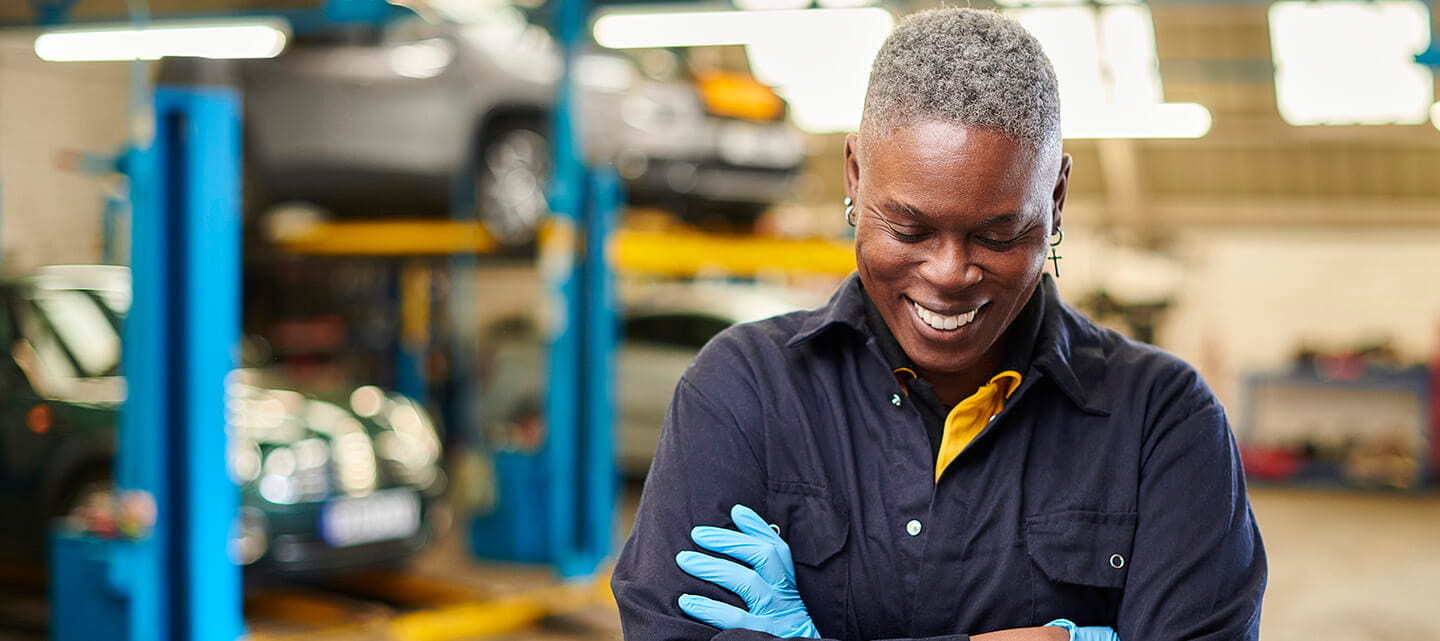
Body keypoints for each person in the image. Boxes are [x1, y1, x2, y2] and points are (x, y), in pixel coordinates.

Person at [610, 8, 1267, 641]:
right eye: (909, 229)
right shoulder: (744, 388)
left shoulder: (1163, 420)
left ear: (1057, 197)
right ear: (855, 175)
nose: (950, 273)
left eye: (998, 234)